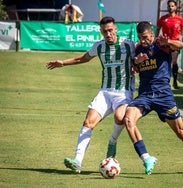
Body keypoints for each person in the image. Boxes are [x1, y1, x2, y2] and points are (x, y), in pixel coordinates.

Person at [46, 16, 135, 173]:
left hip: (123, 92)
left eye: (110, 30)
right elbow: (83, 58)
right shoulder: (99, 46)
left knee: (120, 118)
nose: (108, 34)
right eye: (104, 31)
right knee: (88, 122)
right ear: (101, 32)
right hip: (105, 92)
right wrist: (63, 63)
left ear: (116, 29)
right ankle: (77, 162)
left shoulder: (129, 45)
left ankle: (112, 142)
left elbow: (142, 57)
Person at [124, 21, 183, 175]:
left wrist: (169, 41)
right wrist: (135, 64)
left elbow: (181, 46)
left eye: (145, 37)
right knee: (128, 119)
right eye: (140, 37)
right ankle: (146, 158)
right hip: (145, 95)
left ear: (152, 34)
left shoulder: (161, 44)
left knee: (181, 133)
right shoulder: (137, 50)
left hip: (164, 95)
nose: (143, 41)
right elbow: (134, 69)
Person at [156, 0, 183, 89]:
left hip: (175, 43)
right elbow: (158, 29)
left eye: (172, 6)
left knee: (174, 61)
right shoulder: (163, 18)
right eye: (169, 6)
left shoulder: (179, 18)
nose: (170, 7)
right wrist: (156, 38)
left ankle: (175, 81)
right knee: (165, 62)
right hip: (165, 44)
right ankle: (165, 81)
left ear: (175, 7)